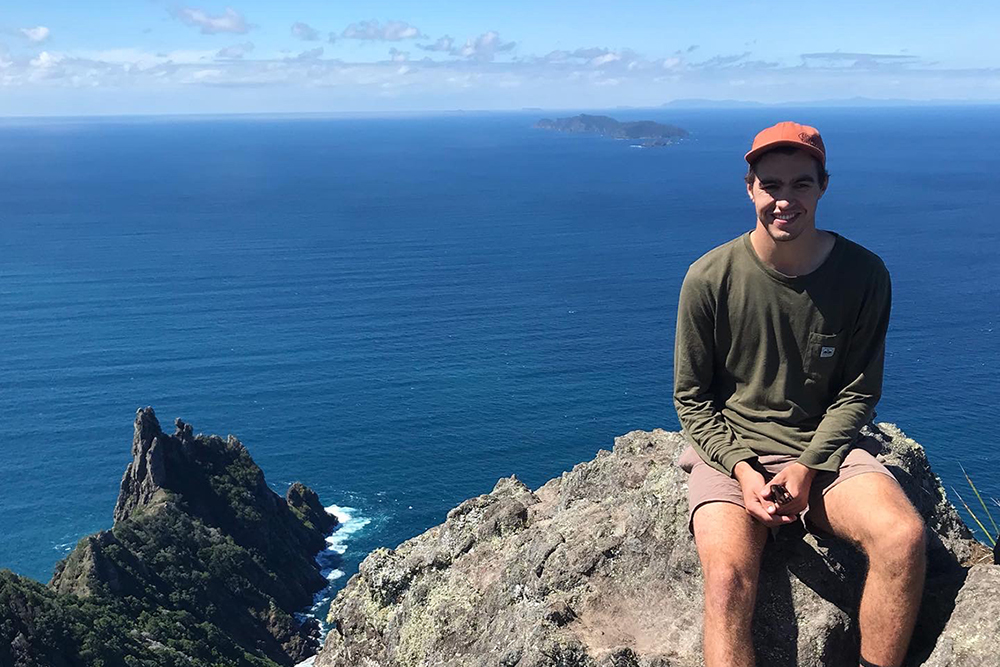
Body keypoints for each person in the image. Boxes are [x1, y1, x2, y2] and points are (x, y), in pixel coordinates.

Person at [672, 121, 927, 667]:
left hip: (826, 451)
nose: (784, 200)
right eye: (771, 185)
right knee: (726, 581)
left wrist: (808, 467)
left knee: (903, 537)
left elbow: (859, 392)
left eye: (800, 184)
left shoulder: (863, 274)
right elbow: (692, 398)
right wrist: (743, 470)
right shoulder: (709, 278)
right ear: (750, 188)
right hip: (733, 448)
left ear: (823, 186)